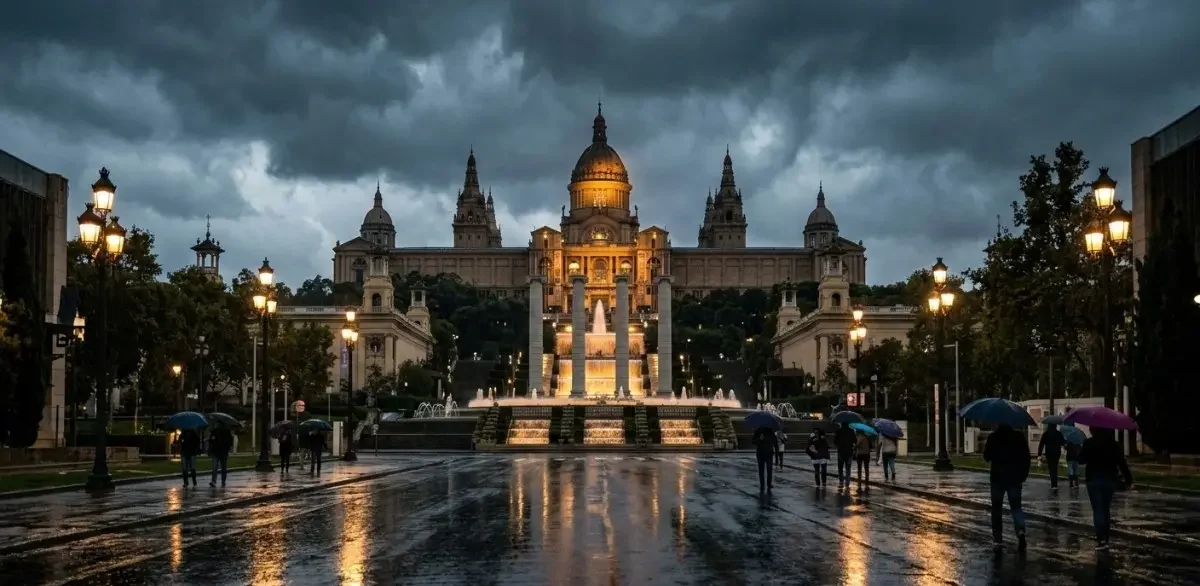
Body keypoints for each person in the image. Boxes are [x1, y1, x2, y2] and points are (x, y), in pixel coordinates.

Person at [1078, 428, 1133, 550]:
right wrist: (1129, 480)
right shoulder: (1114, 444)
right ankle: (1106, 538)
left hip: (1093, 479)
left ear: (1093, 429)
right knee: (1106, 509)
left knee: (1098, 510)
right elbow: (1122, 463)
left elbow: (1081, 460)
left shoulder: (1089, 443)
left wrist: (1080, 450)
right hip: (1109, 480)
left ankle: (1101, 539)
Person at [982, 424, 1030, 551]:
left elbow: (986, 456)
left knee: (996, 508)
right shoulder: (1019, 437)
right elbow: (1026, 457)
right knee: (1016, 507)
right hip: (1015, 477)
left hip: (997, 478)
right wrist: (1023, 474)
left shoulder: (993, 437)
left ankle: (997, 538)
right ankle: (1020, 531)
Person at [1038, 423, 1066, 489]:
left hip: (1049, 453)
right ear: (1055, 426)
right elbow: (1063, 443)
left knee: (1051, 468)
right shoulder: (1059, 433)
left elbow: (1041, 444)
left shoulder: (1046, 434)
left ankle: (1053, 484)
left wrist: (1039, 454)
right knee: (1055, 467)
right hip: (1057, 453)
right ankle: (1055, 484)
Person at [751, 426, 777, 493]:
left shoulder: (770, 431)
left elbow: (775, 443)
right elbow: (753, 441)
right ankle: (762, 484)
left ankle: (769, 483)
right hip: (760, 454)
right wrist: (759, 439)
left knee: (769, 469)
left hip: (769, 454)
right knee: (761, 470)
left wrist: (777, 457)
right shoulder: (758, 431)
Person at [833, 423, 857, 491]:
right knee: (848, 468)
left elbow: (835, 442)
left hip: (841, 452)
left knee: (840, 467)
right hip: (849, 452)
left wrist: (839, 444)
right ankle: (847, 482)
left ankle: (841, 482)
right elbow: (855, 440)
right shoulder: (851, 431)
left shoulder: (838, 431)